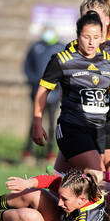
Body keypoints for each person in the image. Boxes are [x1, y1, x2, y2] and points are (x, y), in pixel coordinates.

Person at [32, 10, 110, 171]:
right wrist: (37, 123)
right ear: (78, 34)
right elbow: (42, 91)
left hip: (98, 131)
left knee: (63, 184)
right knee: (97, 176)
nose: (91, 42)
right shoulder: (62, 60)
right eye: (86, 37)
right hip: (72, 128)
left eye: (96, 38)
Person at [23, 27, 64, 161]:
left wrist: (57, 85)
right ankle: (28, 151)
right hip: (37, 91)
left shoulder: (60, 47)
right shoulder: (36, 47)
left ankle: (50, 152)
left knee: (53, 124)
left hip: (54, 94)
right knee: (35, 121)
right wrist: (34, 81)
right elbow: (27, 66)